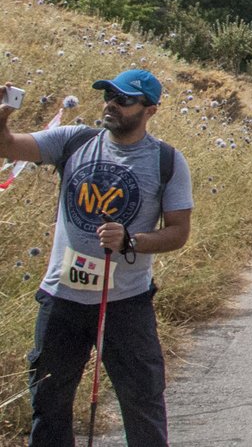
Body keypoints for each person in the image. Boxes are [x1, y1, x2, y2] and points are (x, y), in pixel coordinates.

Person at [0, 68, 194, 447]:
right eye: (108, 95)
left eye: (124, 99)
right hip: (61, 299)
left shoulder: (166, 161)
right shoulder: (74, 140)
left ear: (150, 109)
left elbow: (178, 232)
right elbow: (8, 147)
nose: (111, 104)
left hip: (125, 304)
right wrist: (2, 117)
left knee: (142, 404)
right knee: (49, 402)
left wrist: (130, 241)